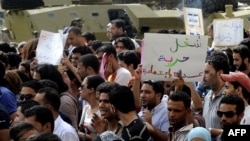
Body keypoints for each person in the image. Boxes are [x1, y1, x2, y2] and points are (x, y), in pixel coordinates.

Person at [203, 50, 229, 129]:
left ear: (220, 73)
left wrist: (215, 133)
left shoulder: (228, 97)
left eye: (207, 72)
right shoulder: (208, 96)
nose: (203, 77)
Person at [78, 75, 105, 141]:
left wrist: (83, 136)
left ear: (91, 90)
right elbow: (80, 128)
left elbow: (104, 137)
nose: (79, 89)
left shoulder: (103, 110)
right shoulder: (86, 107)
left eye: (82, 86)